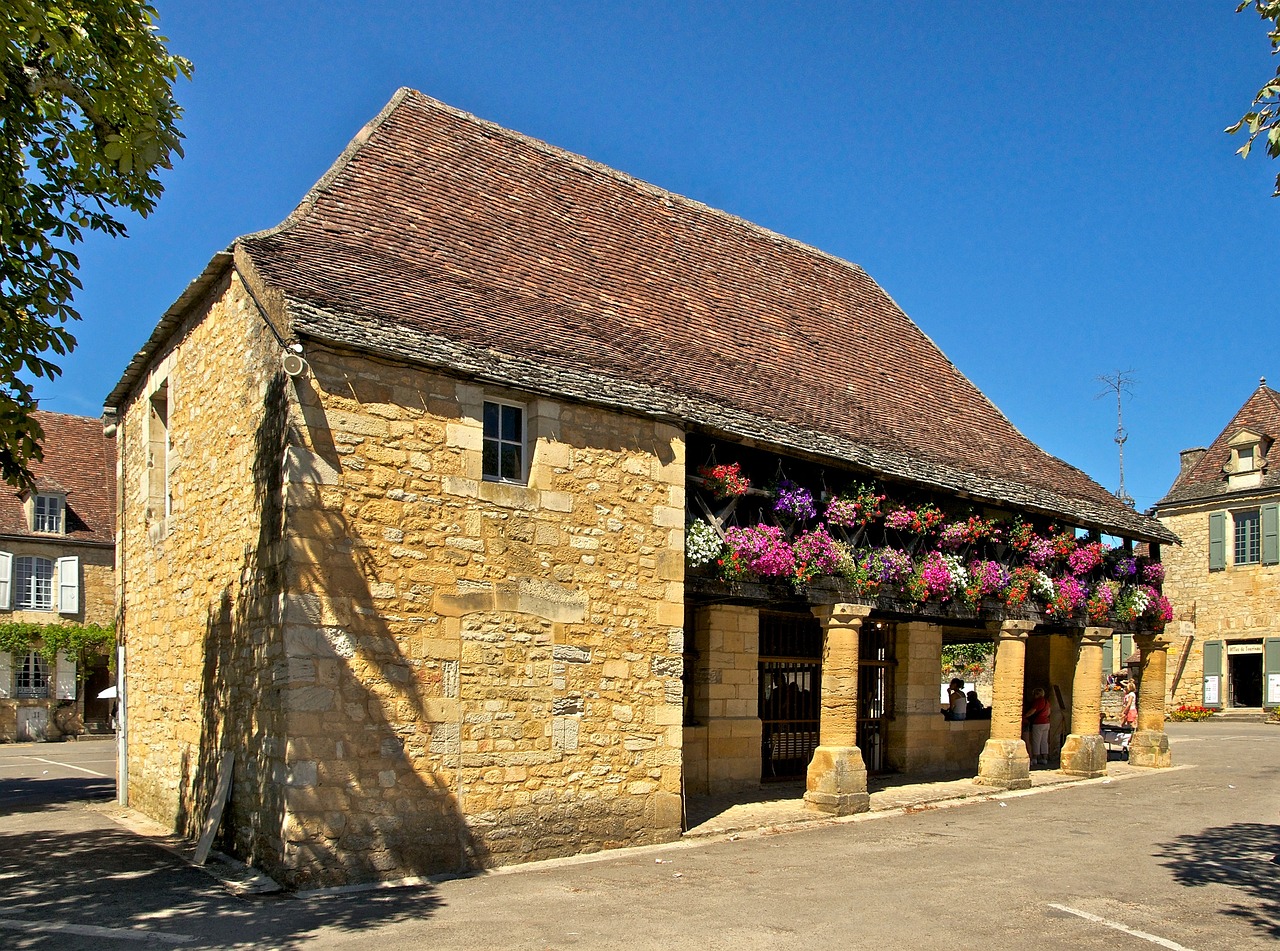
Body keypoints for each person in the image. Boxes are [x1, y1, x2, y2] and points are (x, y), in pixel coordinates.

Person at [1024, 686, 1052, 766]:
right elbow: (1049, 712)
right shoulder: (1047, 701)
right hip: (1046, 723)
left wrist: (1025, 716)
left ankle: (1035, 758)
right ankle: (1044, 758)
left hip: (1038, 723)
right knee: (1044, 741)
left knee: (1036, 741)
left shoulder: (1038, 701)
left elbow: (1032, 711)